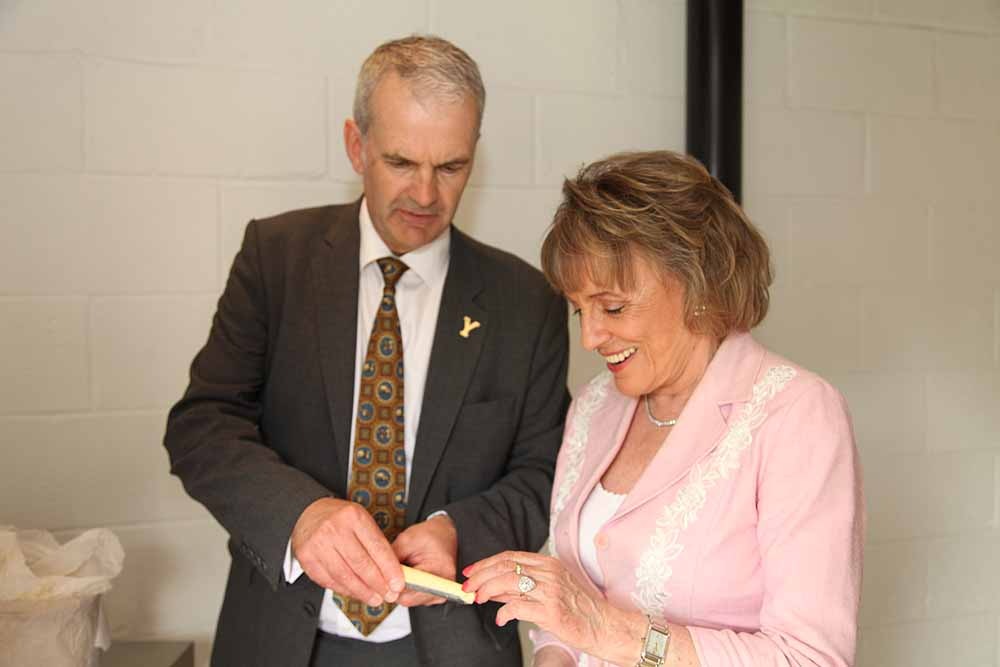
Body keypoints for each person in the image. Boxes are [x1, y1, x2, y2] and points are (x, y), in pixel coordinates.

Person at [164, 35, 570, 667]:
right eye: (402, 162)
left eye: (452, 167)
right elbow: (200, 426)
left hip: (454, 644)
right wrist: (298, 515)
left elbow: (546, 474)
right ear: (357, 146)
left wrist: (458, 530)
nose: (427, 195)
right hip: (280, 636)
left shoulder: (526, 302)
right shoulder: (276, 259)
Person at [464, 150, 864, 667]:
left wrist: (607, 630)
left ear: (697, 282)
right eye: (579, 309)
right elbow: (564, 610)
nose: (589, 337)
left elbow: (812, 659)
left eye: (612, 307)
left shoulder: (798, 415)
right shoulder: (594, 406)